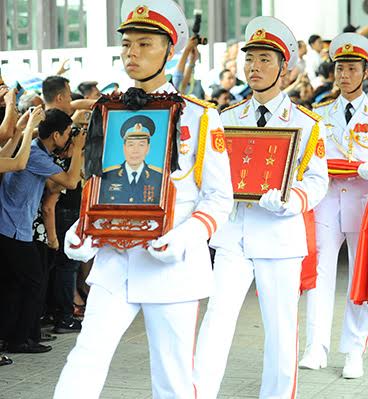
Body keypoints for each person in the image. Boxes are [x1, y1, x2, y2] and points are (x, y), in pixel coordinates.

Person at [53, 1, 233, 397]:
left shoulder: (201, 118)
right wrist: (83, 228)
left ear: (170, 51)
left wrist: (185, 237)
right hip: (115, 262)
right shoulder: (106, 111)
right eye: (127, 44)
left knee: (172, 376)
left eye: (144, 44)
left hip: (172, 266)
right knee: (85, 356)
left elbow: (220, 198)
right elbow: (98, 182)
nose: (131, 53)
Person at [193, 16, 328, 399]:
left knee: (282, 330)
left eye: (265, 59)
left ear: (285, 69)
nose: (254, 67)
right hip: (233, 238)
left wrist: (291, 201)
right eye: (250, 58)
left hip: (280, 239)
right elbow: (210, 178)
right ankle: (199, 393)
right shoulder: (223, 119)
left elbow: (318, 180)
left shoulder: (305, 123)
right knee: (215, 323)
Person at [300, 32, 368, 379]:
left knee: (362, 275)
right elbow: (310, 160)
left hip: (363, 204)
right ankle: (316, 346)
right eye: (340, 67)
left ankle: (354, 350)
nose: (344, 75)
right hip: (327, 201)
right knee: (319, 275)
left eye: (353, 68)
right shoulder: (319, 111)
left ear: (365, 72)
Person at [0, 107, 83, 354]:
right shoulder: (35, 154)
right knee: (34, 282)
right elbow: (71, 181)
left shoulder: (37, 153)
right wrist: (77, 150)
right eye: (68, 133)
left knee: (17, 285)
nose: (70, 137)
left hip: (15, 227)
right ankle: (21, 339)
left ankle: (17, 337)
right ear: (56, 135)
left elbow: (51, 183)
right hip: (14, 229)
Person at [99, 115, 162, 205]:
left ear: (148, 148)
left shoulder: (158, 177)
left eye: (141, 145)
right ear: (124, 147)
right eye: (131, 145)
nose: (135, 151)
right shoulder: (107, 176)